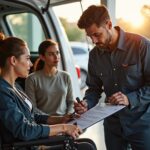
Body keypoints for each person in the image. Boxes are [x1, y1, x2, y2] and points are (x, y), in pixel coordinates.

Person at [0, 33, 96, 150]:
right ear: (13, 60)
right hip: (27, 146)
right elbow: (24, 130)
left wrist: (62, 119)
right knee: (86, 147)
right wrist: (63, 128)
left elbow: (33, 115)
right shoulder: (3, 92)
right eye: (28, 58)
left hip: (34, 143)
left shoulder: (15, 87)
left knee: (88, 144)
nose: (30, 64)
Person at [74, 4, 150, 150]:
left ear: (109, 24)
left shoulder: (141, 45)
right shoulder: (94, 55)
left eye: (97, 34)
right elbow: (93, 89)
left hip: (142, 124)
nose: (94, 41)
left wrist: (129, 98)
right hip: (113, 127)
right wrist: (86, 104)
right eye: (90, 37)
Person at [25, 39, 74, 116]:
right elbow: (32, 108)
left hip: (65, 121)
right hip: (45, 124)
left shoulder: (66, 76)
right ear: (42, 57)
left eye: (57, 53)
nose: (56, 57)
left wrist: (68, 115)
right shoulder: (32, 79)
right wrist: (53, 120)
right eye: (51, 54)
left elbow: (71, 102)